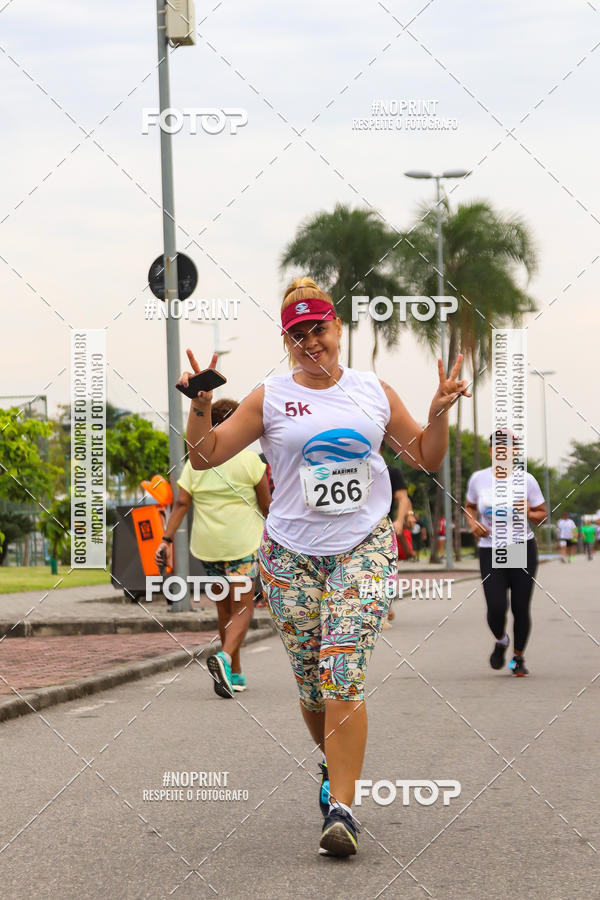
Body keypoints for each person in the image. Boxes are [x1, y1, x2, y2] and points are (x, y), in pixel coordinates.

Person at [178, 276, 469, 857]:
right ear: (286, 341)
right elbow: (205, 456)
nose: (311, 342)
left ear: (337, 329)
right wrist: (201, 409)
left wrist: (436, 415)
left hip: (362, 547)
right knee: (312, 686)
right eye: (298, 334)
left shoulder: (372, 391)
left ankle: (342, 808)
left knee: (342, 670)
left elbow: (425, 457)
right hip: (289, 555)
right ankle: (329, 765)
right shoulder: (272, 396)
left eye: (319, 330)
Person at [154, 399, 271, 698]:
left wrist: (165, 540)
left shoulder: (195, 463)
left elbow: (181, 503)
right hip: (242, 543)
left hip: (207, 546)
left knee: (223, 607)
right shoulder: (250, 462)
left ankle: (235, 672)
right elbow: (267, 506)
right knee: (243, 606)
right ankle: (225, 658)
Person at [465, 431, 547, 677]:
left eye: (508, 448)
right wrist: (472, 524)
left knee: (521, 608)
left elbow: (542, 514)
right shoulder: (478, 479)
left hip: (521, 548)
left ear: (514, 452)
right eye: (497, 447)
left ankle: (518, 658)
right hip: (491, 550)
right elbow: (469, 506)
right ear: (491, 451)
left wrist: (529, 513)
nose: (502, 452)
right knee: (495, 607)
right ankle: (501, 640)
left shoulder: (527, 481)